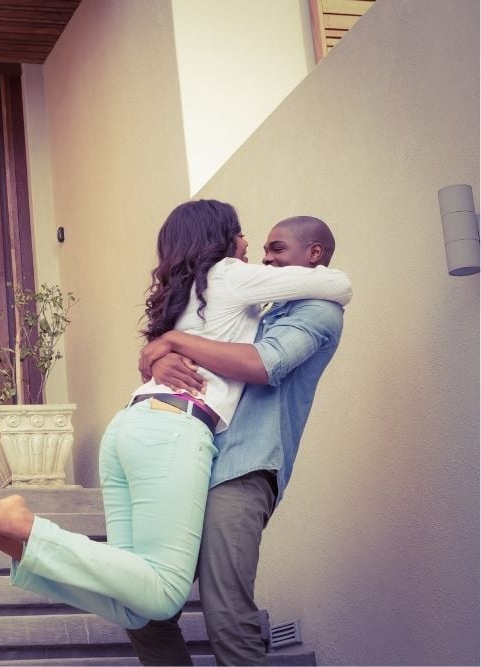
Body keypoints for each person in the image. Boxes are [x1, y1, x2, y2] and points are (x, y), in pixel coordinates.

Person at [0, 201, 353, 630]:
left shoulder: (189, 290)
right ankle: (28, 528)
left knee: (136, 606)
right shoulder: (229, 274)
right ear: (221, 237)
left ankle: (21, 548)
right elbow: (340, 283)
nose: (251, 246)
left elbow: (182, 348)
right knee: (164, 590)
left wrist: (169, 343)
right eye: (242, 233)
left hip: (130, 428)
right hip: (174, 429)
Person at [125, 215, 348, 666]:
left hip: (243, 470)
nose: (266, 257)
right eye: (265, 248)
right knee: (142, 604)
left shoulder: (317, 312)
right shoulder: (261, 305)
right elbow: (206, 354)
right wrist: (164, 361)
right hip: (193, 458)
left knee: (226, 615)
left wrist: (175, 339)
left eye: (278, 249)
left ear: (314, 255)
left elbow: (263, 364)